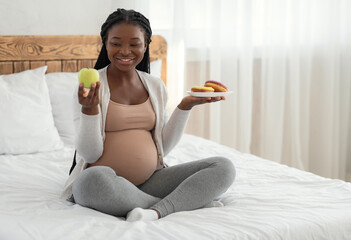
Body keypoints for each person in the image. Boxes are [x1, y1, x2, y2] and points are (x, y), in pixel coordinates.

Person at [61, 8, 236, 221]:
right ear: (105, 44)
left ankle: (152, 210)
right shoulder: (91, 86)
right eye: (116, 43)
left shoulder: (155, 86)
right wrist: (89, 110)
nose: (125, 51)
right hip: (104, 181)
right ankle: (179, 205)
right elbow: (90, 155)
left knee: (223, 167)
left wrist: (185, 106)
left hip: (152, 180)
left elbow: (163, 148)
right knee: (90, 181)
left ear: (146, 45)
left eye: (134, 44)